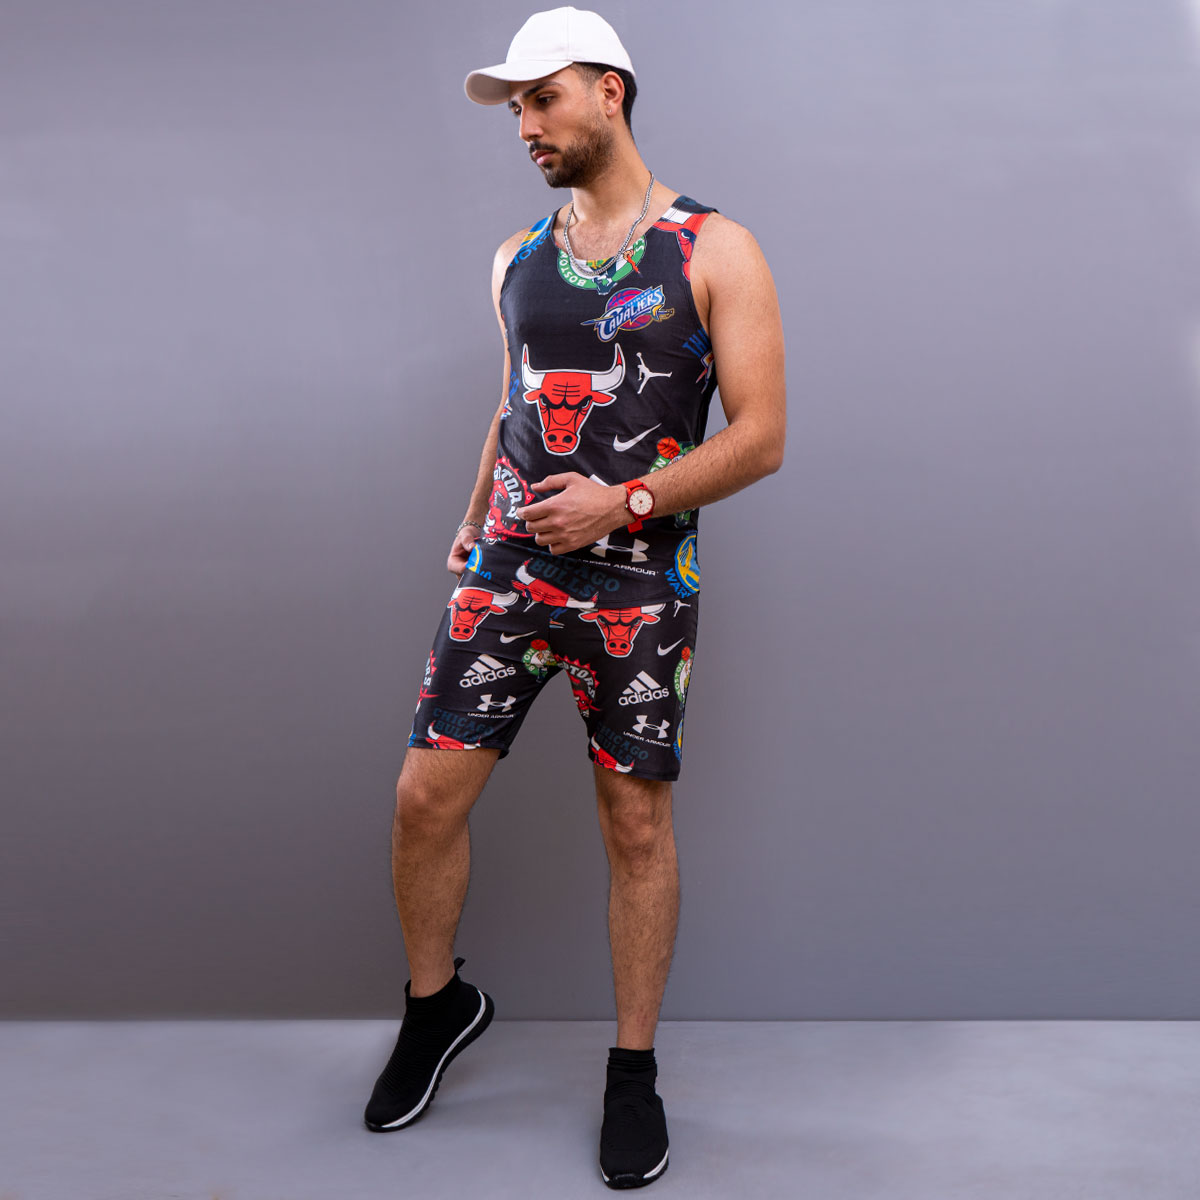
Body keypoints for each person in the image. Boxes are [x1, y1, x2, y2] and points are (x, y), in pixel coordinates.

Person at [363, 6, 786, 1189]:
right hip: (508, 571)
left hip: (639, 580)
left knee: (635, 826)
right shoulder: (516, 257)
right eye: (515, 109)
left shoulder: (714, 249)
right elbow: (515, 398)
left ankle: (632, 1072)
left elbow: (761, 437)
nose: (525, 127)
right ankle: (438, 1008)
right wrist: (473, 513)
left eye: (541, 99)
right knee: (422, 800)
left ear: (610, 91)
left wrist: (624, 503)